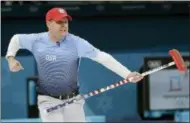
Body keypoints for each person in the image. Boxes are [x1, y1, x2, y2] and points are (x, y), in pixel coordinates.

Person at [6, 7, 144, 122]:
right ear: (48, 24)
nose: (64, 25)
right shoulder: (36, 40)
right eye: (59, 22)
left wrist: (127, 74)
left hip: (73, 100)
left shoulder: (77, 42)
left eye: (65, 22)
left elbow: (103, 57)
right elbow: (16, 39)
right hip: (48, 101)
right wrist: (11, 58)